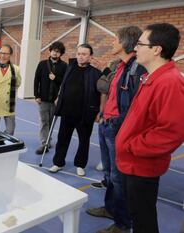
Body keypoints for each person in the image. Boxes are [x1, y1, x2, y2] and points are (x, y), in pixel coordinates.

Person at [116, 23, 184, 233]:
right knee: (138, 216)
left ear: (156, 49)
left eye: (139, 44)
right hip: (132, 162)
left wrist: (133, 146)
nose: (135, 48)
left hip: (141, 165)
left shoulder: (169, 82)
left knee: (144, 220)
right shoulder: (151, 77)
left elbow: (172, 131)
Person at [85, 26, 147, 233]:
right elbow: (110, 94)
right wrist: (103, 115)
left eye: (115, 39)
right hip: (107, 124)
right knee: (111, 175)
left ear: (125, 43)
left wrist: (116, 124)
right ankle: (111, 209)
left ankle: (122, 224)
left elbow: (134, 108)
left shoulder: (137, 70)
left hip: (117, 128)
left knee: (119, 178)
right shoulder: (120, 66)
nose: (112, 42)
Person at [49, 44, 108, 176]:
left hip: (85, 113)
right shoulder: (69, 68)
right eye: (79, 53)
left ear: (90, 57)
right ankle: (58, 162)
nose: (81, 56)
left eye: (84, 54)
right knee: (62, 139)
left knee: (84, 141)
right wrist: (59, 96)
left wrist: (100, 111)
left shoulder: (96, 73)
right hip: (67, 111)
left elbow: (102, 93)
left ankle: (80, 164)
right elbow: (63, 85)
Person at [33, 41, 67, 154]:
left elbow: (65, 82)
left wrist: (55, 78)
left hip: (56, 101)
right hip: (43, 99)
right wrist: (36, 95)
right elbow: (36, 80)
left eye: (58, 52)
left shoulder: (64, 66)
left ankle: (48, 139)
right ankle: (44, 143)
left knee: (51, 122)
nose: (55, 53)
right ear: (50, 51)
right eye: (53, 51)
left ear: (61, 53)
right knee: (44, 122)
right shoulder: (42, 64)